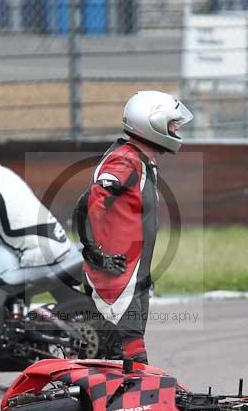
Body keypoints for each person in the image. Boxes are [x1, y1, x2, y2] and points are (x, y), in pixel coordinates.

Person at [74, 91, 194, 364]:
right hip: (116, 278)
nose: (176, 129)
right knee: (131, 359)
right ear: (150, 123)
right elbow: (90, 202)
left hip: (134, 278)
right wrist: (95, 251)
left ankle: (69, 400)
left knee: (104, 358)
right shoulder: (125, 160)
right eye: (172, 123)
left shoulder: (143, 161)